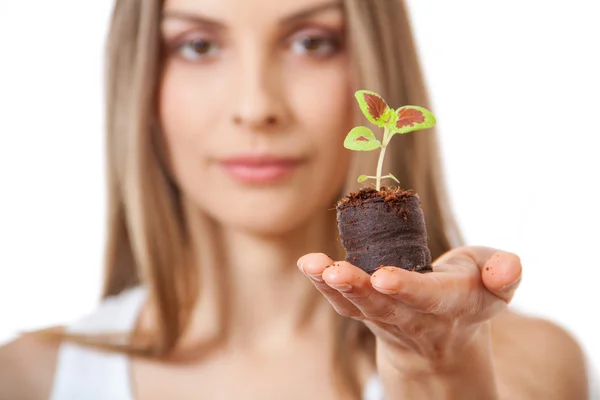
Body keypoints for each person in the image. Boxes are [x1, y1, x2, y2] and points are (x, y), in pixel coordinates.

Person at [0, 0, 595, 399]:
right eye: (199, 46)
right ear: (140, 78)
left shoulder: (528, 370)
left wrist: (435, 369)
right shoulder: (29, 378)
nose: (257, 105)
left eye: (312, 42)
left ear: (374, 58)